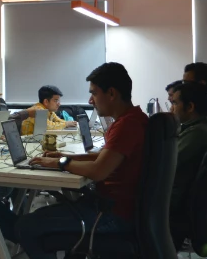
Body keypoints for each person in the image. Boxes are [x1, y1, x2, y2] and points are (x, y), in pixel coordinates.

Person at [8, 63, 148, 259]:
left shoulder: (127, 124)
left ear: (112, 93)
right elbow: (103, 157)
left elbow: (98, 171)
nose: (90, 100)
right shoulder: (134, 118)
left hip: (111, 214)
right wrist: (65, 157)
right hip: (117, 208)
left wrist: (60, 164)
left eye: (94, 93)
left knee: (25, 226)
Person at [168, 81, 207, 216]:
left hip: (173, 202)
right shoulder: (196, 129)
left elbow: (165, 164)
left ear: (190, 107)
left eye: (175, 103)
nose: (171, 109)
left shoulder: (197, 134)